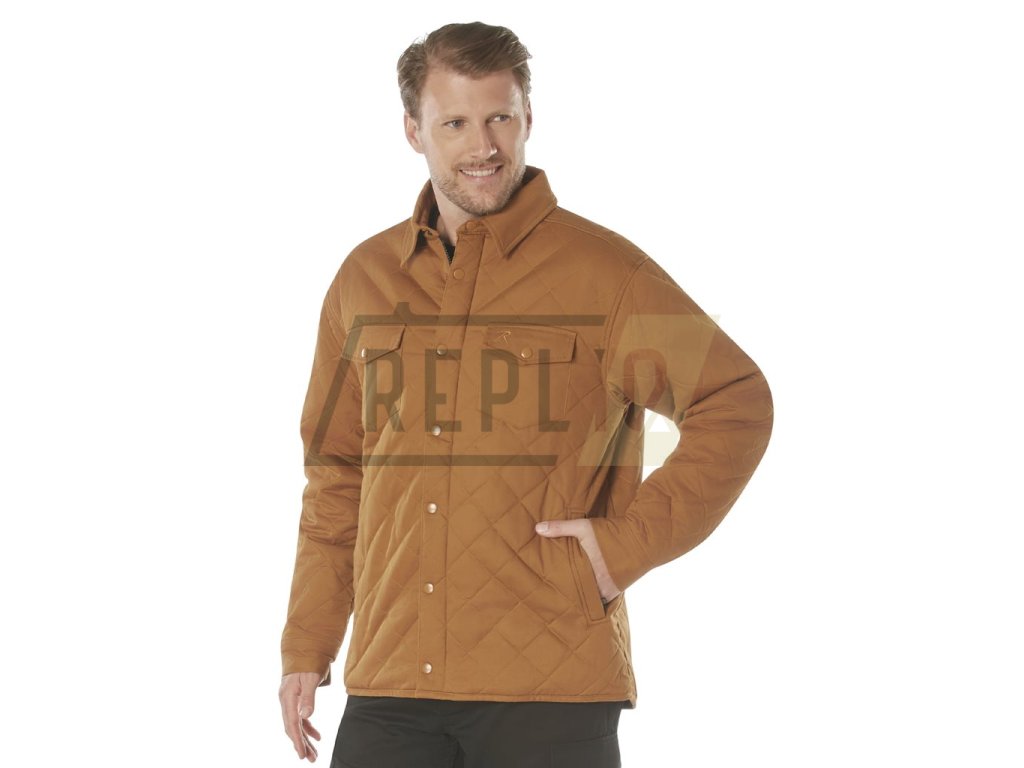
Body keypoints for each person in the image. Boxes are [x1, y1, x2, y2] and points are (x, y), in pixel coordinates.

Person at [278, 21, 774, 767]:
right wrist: (308, 642)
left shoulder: (604, 273)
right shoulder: (364, 280)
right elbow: (337, 475)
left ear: (528, 117)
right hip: (390, 685)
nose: (484, 146)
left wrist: (619, 550)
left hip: (550, 690)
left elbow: (735, 401)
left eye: (500, 118)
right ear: (413, 130)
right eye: (455, 123)